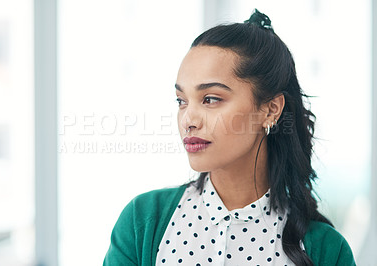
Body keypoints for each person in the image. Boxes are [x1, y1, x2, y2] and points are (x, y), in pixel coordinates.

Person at [103, 9, 356, 266]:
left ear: (270, 110)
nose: (188, 120)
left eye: (211, 99)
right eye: (181, 101)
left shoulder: (326, 250)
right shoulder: (144, 222)